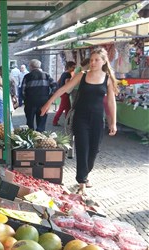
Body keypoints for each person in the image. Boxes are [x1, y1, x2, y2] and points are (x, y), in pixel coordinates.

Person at [40, 48, 118, 196]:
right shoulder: (82, 75)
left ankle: (85, 175)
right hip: (80, 118)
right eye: (92, 60)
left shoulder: (107, 78)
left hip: (97, 119)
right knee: (82, 149)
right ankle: (81, 181)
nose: (93, 63)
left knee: (94, 150)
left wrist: (113, 122)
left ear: (104, 61)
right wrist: (48, 103)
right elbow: (64, 89)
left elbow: (111, 102)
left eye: (96, 60)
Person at [22, 59, 57, 132]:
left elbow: (23, 91)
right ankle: (40, 139)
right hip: (44, 102)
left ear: (31, 66)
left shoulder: (27, 76)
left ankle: (30, 138)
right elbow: (55, 86)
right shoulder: (47, 75)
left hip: (30, 102)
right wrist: (49, 97)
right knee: (41, 123)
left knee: (29, 123)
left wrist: (25, 99)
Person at [52, 61, 76, 126]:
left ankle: (67, 121)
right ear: (69, 67)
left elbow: (58, 82)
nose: (74, 69)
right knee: (62, 108)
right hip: (65, 93)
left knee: (67, 108)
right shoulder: (68, 74)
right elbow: (67, 83)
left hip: (62, 93)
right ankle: (55, 121)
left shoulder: (63, 73)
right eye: (73, 67)